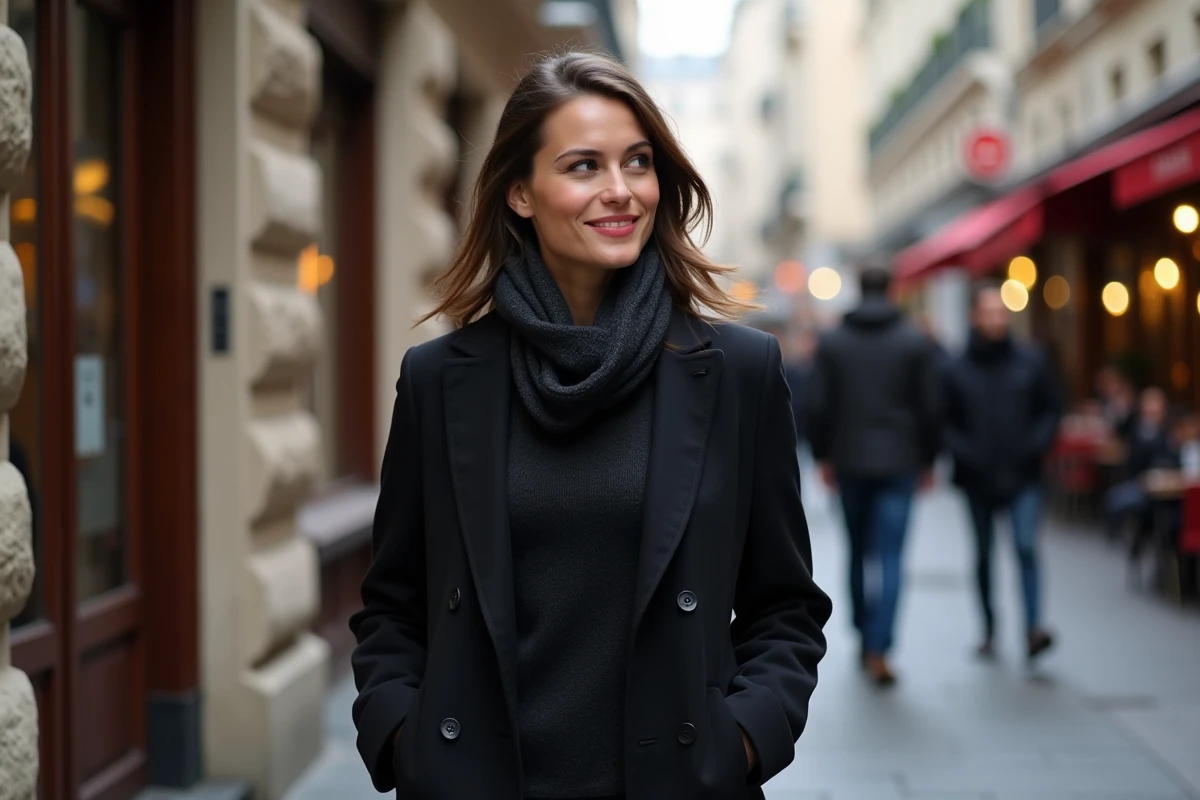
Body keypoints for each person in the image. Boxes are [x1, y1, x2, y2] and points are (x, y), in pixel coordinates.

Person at [349, 52, 832, 800]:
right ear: (520, 192)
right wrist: (403, 739)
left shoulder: (738, 371)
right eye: (584, 166)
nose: (621, 190)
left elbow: (785, 605)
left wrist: (740, 741)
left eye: (638, 162)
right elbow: (393, 603)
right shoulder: (440, 379)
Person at [805, 266, 941, 685]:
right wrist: (929, 459)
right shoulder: (914, 341)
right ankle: (881, 646)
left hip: (849, 460)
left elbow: (816, 405)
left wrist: (822, 456)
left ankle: (864, 632)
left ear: (858, 290)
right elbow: (931, 407)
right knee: (892, 556)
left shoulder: (833, 341)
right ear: (892, 290)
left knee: (857, 551)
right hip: (900, 461)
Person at [941, 281, 1061, 663]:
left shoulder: (1031, 361)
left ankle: (1033, 628)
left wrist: (1035, 447)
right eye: (989, 312)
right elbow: (943, 420)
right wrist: (966, 452)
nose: (996, 319)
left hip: (1024, 474)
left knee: (1026, 546)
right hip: (977, 477)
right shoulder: (956, 368)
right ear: (974, 316)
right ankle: (990, 628)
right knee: (984, 554)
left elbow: (1051, 409)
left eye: (1001, 311)